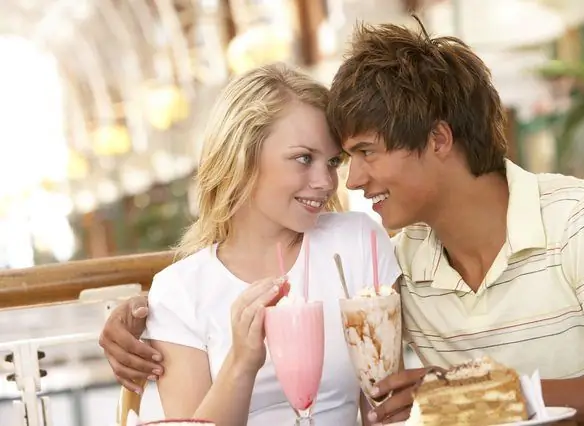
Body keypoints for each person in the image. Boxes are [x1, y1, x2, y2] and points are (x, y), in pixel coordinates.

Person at [101, 21, 584, 425]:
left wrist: (501, 394)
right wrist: (130, 319)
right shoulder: (406, 259)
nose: (348, 181)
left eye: (359, 154)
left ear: (438, 139)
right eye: (325, 158)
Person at [100, 63, 402, 426]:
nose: (326, 181)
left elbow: (387, 411)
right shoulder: (179, 292)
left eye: (333, 161)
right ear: (243, 156)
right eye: (304, 158)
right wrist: (242, 362)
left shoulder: (356, 242)